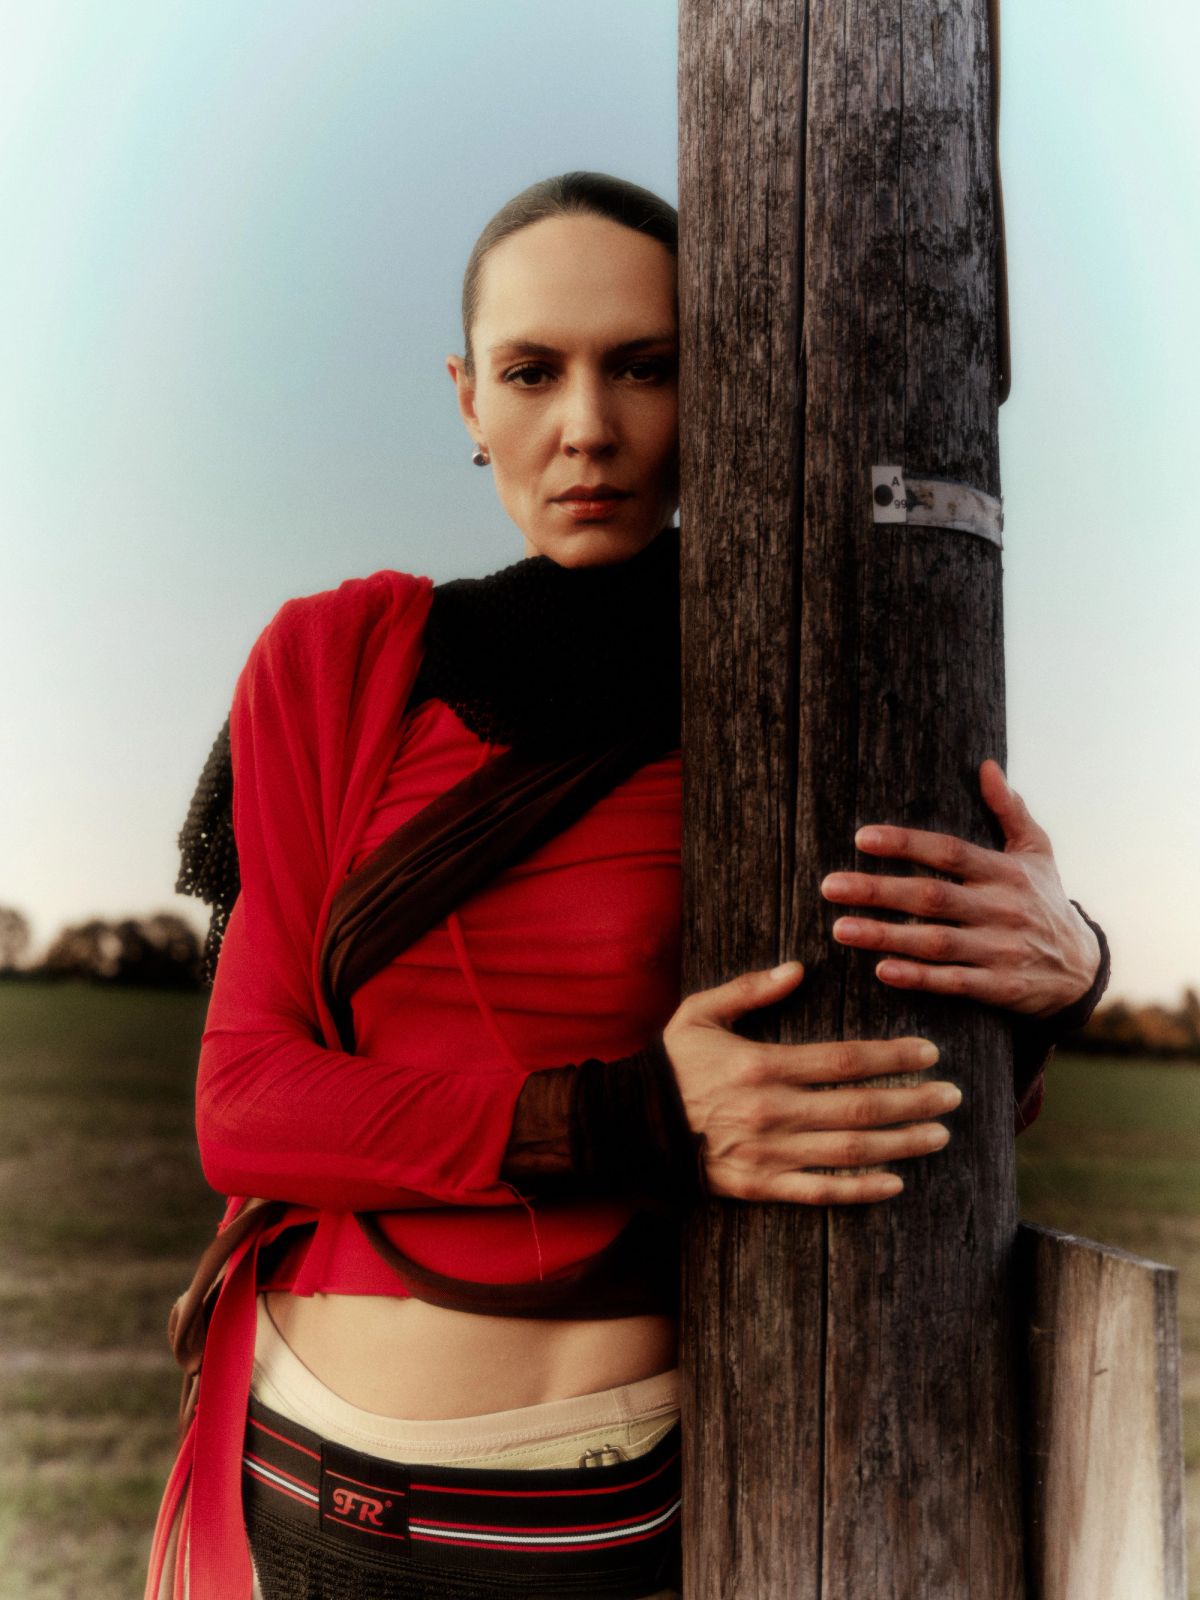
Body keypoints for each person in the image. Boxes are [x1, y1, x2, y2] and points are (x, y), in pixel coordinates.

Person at [146, 171, 1110, 1600]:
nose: (586, 426)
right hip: (299, 1484)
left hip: (603, 1528)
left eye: (645, 368)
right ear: (469, 400)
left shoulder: (811, 689)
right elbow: (248, 1107)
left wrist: (1072, 963)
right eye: (533, 371)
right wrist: (640, 1115)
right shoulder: (338, 660)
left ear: (715, 386)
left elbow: (919, 1081)